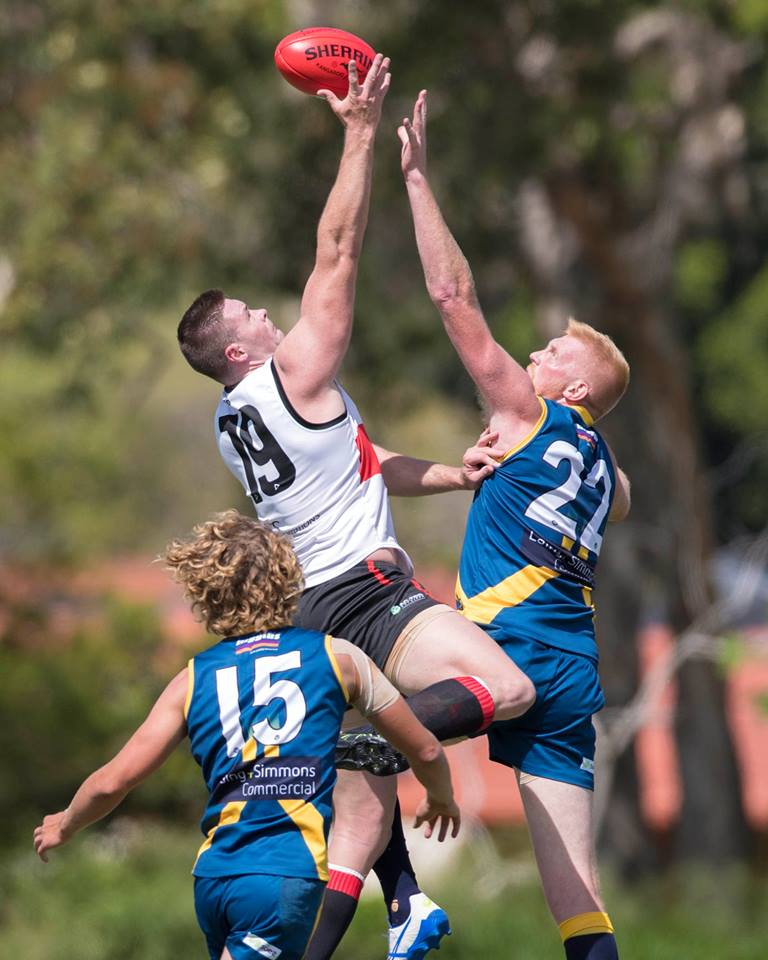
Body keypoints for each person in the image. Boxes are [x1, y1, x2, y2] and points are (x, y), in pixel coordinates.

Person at [177, 55, 535, 960]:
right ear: (238, 349)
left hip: (310, 606)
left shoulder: (235, 421)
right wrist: (362, 132)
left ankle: (401, 904)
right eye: (255, 314)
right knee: (507, 689)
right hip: (367, 595)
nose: (271, 314)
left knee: (362, 812)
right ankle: (391, 742)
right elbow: (337, 251)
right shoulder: (291, 373)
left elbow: (365, 469)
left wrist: (454, 478)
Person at [398, 89, 631, 960]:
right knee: (577, 896)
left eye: (553, 356)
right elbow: (622, 490)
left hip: (512, 648)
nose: (535, 355)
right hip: (576, 665)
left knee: (372, 712)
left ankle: (369, 812)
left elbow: (451, 294)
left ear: (570, 392)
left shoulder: (534, 413)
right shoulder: (606, 465)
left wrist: (419, 179)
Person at [33, 511, 460, 960]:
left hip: (215, 878)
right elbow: (425, 747)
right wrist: (441, 796)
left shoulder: (192, 678)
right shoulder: (338, 658)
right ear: (288, 578)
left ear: (205, 595)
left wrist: (65, 824)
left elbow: (111, 781)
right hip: (281, 880)